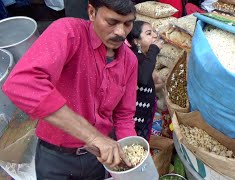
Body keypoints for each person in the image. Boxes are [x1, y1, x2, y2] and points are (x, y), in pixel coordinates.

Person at [2, 0, 138, 179]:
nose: (121, 32)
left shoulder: (130, 61)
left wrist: (130, 157)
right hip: (56, 157)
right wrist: (93, 136)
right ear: (91, 12)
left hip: (97, 160)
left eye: (128, 23)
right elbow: (22, 83)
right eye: (112, 22)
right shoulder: (68, 33)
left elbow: (124, 116)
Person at [126, 21, 163, 141]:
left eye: (153, 32)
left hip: (143, 116)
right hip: (136, 121)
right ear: (136, 41)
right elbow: (142, 79)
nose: (154, 36)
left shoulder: (142, 58)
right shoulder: (134, 57)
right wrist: (154, 50)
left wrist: (157, 86)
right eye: (148, 33)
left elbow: (142, 85)